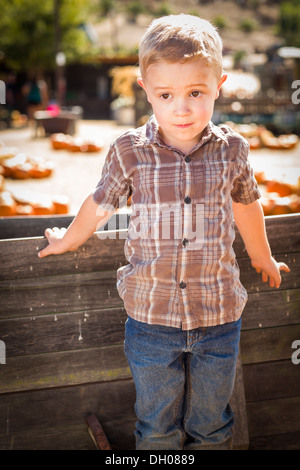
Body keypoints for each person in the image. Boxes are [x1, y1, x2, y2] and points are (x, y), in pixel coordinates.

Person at [38, 14, 290, 450]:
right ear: (145, 90)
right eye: (166, 94)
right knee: (156, 427)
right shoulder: (129, 151)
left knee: (211, 424)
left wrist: (261, 256)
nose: (182, 107)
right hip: (151, 319)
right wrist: (69, 239)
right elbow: (101, 203)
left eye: (196, 92)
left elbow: (247, 204)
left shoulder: (233, 149)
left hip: (219, 315)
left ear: (219, 85)